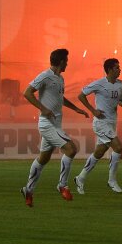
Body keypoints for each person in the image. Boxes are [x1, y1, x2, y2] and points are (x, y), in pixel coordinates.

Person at [20, 48, 89, 206]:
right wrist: (43, 109)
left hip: (55, 124)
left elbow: (60, 98)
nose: (67, 64)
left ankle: (28, 190)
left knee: (43, 158)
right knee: (71, 149)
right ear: (61, 61)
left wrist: (75, 108)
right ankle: (62, 185)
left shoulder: (60, 78)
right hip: (47, 124)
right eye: (66, 61)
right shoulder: (45, 76)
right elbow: (27, 93)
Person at [75, 57, 122, 194]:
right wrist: (93, 110)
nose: (120, 70)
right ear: (110, 69)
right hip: (101, 123)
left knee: (99, 152)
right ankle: (112, 181)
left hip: (112, 123)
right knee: (118, 147)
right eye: (117, 67)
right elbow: (81, 95)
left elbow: (120, 100)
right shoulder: (99, 84)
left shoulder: (120, 85)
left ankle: (80, 178)